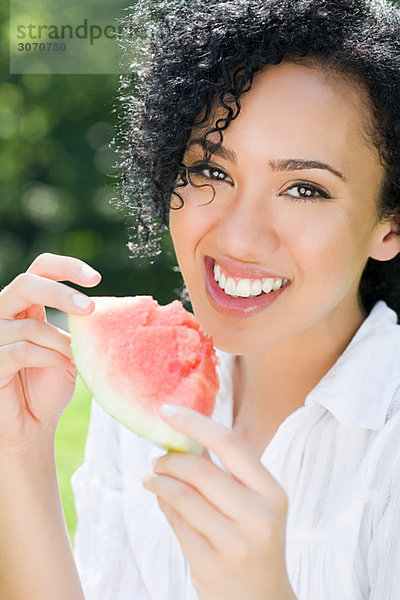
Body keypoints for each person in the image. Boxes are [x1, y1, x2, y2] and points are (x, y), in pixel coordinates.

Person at [1, 0, 400, 598]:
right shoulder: (139, 421)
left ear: (389, 227)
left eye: (303, 188)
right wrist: (19, 454)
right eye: (212, 171)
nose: (239, 236)